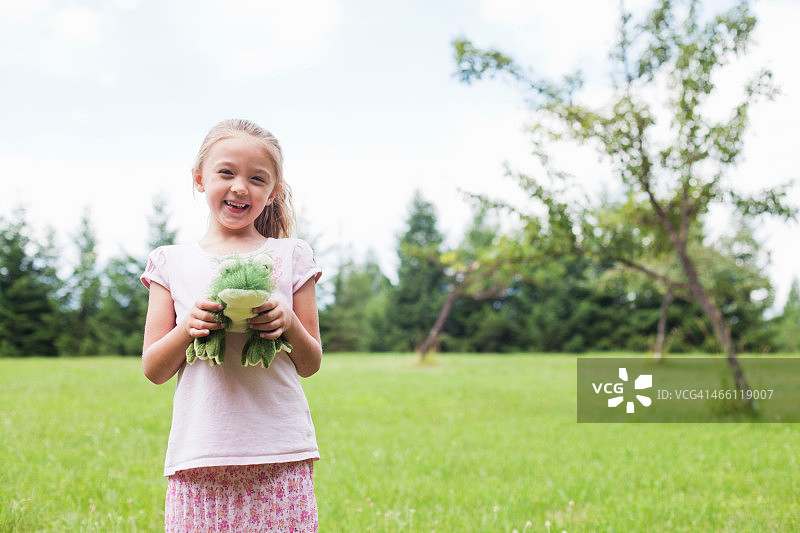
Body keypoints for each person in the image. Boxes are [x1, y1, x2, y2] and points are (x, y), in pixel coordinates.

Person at [141, 119, 323, 531]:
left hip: (280, 455)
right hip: (199, 457)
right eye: (226, 172)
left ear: (273, 191)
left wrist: (289, 323)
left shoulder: (292, 255)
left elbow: (310, 362)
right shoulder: (170, 261)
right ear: (199, 179)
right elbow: (153, 369)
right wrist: (188, 326)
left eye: (257, 179)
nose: (241, 186)